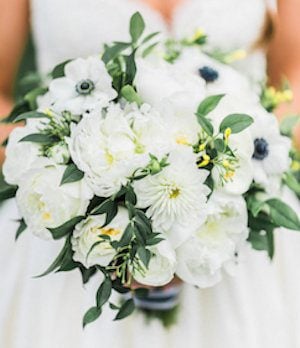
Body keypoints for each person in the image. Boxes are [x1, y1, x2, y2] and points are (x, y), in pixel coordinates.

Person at [0, 1, 299, 347]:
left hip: (238, 233)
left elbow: (293, 76)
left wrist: (229, 179)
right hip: (77, 239)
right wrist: (68, 168)